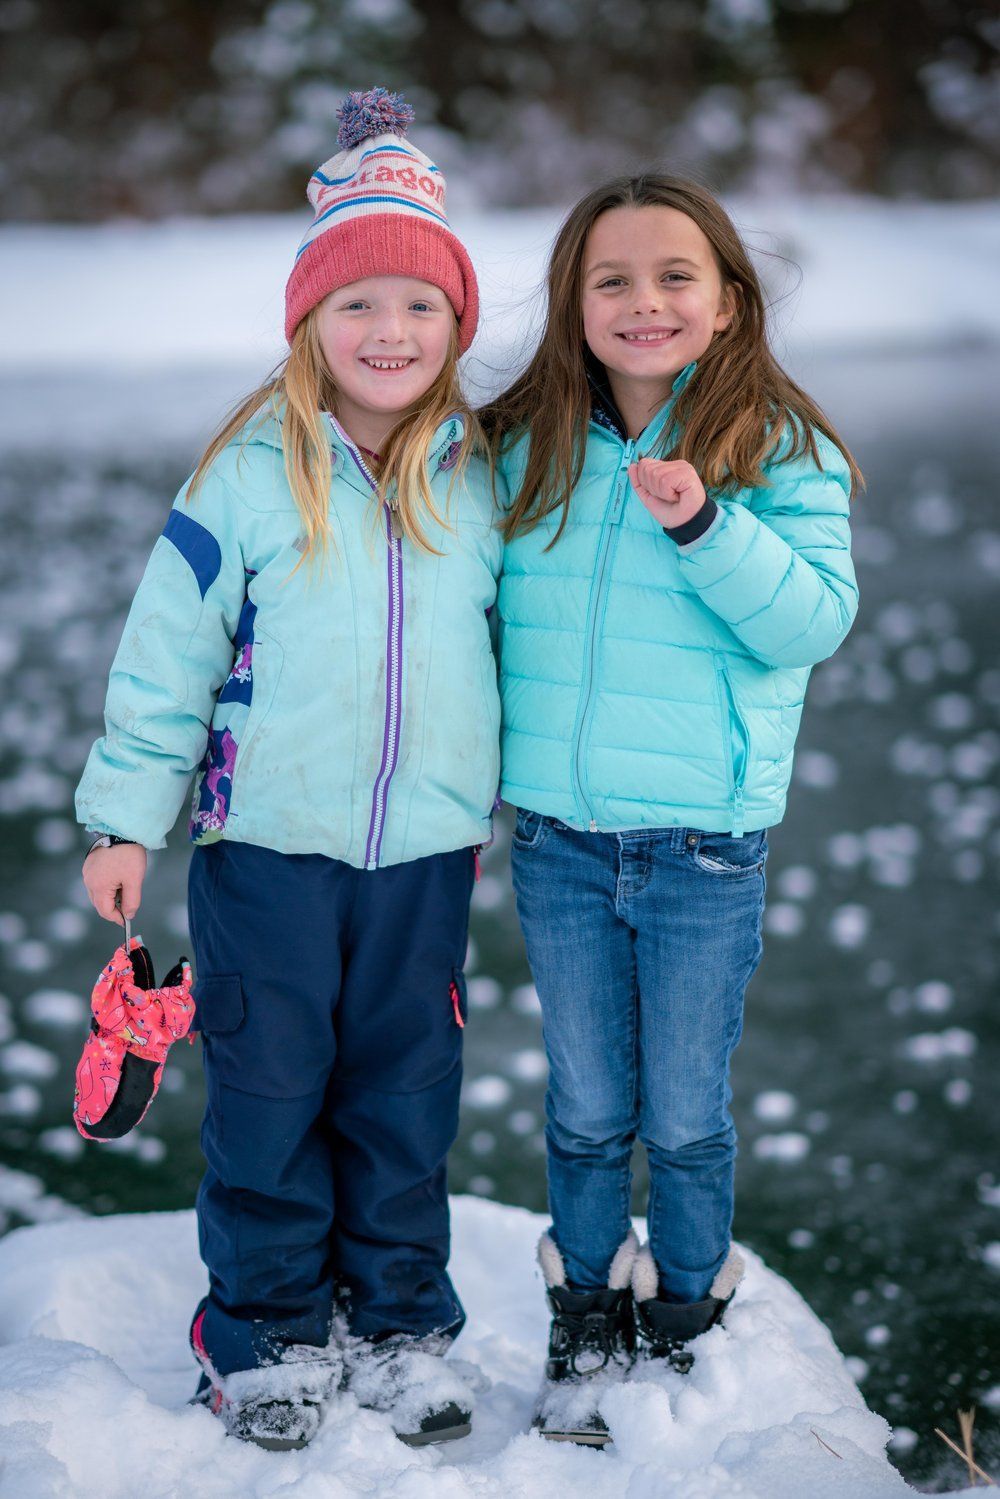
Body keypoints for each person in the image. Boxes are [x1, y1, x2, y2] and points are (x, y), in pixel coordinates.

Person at [76, 88, 501, 1452]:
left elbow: (532, 645)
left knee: (403, 1091)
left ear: (456, 327)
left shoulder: (483, 473)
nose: (391, 333)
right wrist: (126, 814)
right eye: (358, 306)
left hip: (426, 853)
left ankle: (397, 1321)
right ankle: (257, 1326)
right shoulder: (248, 475)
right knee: (267, 1091)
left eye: (421, 308)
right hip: (264, 849)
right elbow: (163, 661)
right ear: (310, 324)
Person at [481, 173, 861, 1444]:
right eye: (611, 279)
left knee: (684, 1111)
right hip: (558, 839)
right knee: (587, 1104)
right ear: (571, 302)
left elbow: (812, 619)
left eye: (674, 276)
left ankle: (688, 1304)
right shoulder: (520, 445)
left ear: (728, 297)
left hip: (703, 844)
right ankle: (585, 1310)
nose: (643, 301)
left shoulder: (778, 444)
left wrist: (706, 523)